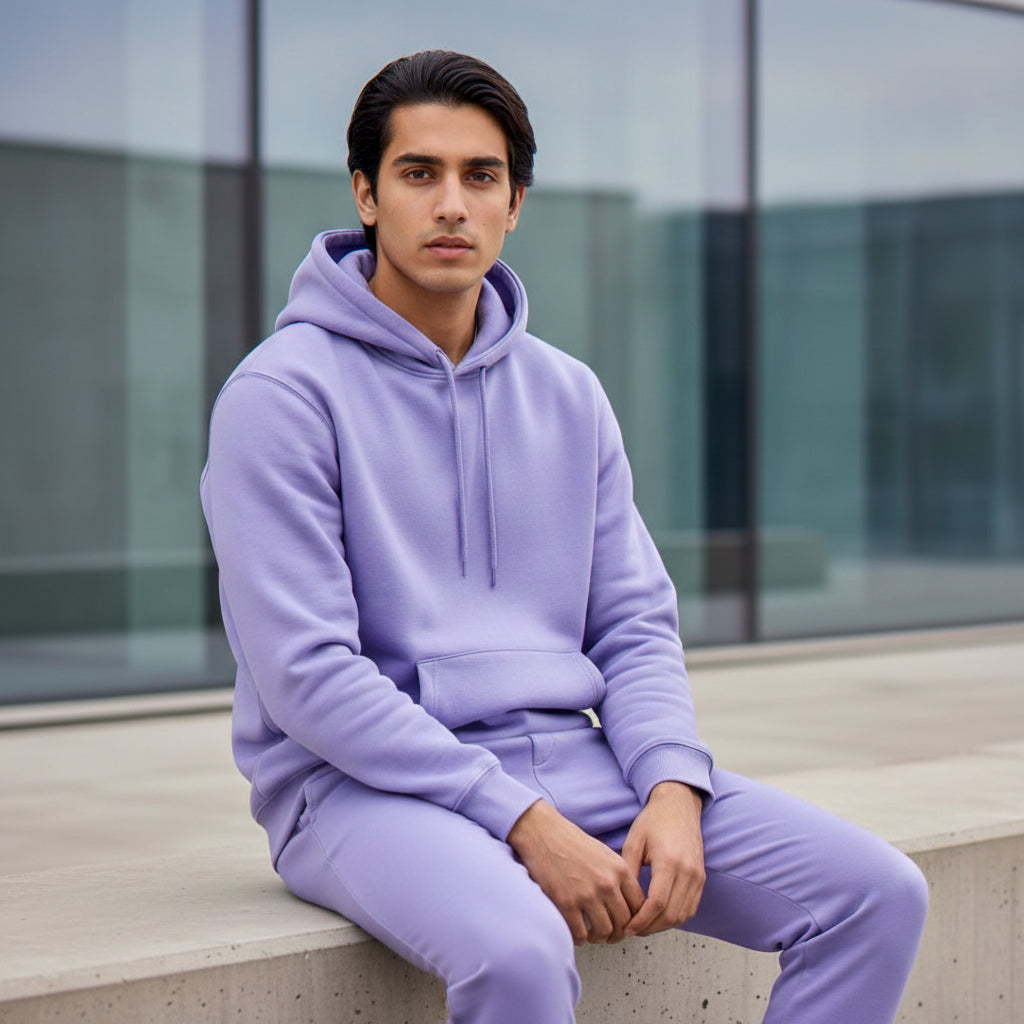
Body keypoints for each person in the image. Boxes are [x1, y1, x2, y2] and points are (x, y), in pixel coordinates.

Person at [200, 49, 928, 1024]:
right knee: (520, 951)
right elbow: (307, 675)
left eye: (480, 176)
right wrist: (521, 820)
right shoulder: (280, 397)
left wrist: (671, 782)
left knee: (874, 895)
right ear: (367, 195)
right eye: (419, 174)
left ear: (515, 204)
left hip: (576, 764)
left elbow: (631, 621)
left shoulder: (567, 393)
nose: (451, 203)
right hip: (355, 792)